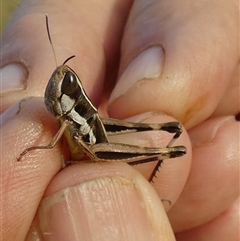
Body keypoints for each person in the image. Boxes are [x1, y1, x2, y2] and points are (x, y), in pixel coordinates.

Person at [1, 0, 239, 240]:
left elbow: (78, 147)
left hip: (97, 147)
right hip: (89, 142)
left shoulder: (68, 122)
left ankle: (156, 183)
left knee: (164, 138)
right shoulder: (62, 117)